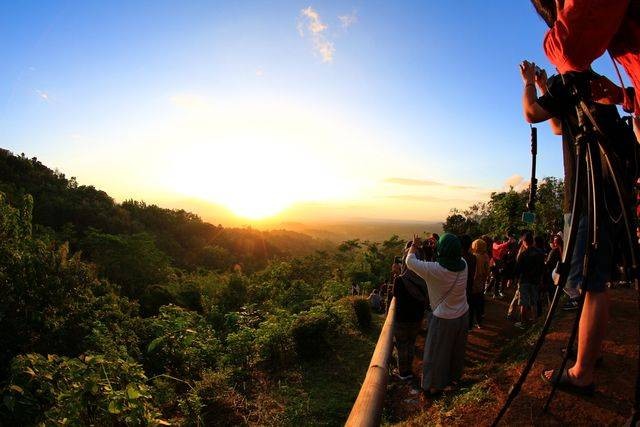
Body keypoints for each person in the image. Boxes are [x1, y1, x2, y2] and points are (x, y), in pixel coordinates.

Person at [519, 11, 636, 391]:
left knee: (589, 284)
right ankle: (589, 349)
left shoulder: (570, 81)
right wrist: (542, 82)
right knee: (584, 280)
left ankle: (583, 370)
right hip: (598, 197)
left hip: (588, 199)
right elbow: (558, 125)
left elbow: (533, 114)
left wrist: (527, 86)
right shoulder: (594, 87)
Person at [405, 233, 469, 396]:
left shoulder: (435, 270)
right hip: (462, 314)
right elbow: (449, 258)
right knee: (456, 350)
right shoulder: (464, 264)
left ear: (442, 250)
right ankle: (454, 378)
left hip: (443, 319)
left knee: (435, 354)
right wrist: (439, 247)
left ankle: (432, 387)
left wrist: (414, 245)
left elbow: (409, 261)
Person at [392, 244, 428, 380]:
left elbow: (395, 295)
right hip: (417, 318)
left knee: (402, 345)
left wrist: (396, 274)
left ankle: (403, 372)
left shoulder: (400, 280)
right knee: (411, 343)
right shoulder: (424, 279)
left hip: (402, 319)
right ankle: (409, 369)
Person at [513, 231, 546, 329]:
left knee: (524, 302)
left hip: (525, 281)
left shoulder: (523, 254)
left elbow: (517, 269)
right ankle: (535, 322)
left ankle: (523, 322)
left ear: (524, 242)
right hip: (535, 281)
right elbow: (542, 268)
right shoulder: (540, 253)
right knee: (534, 302)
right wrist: (540, 279)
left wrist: (515, 280)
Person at [471, 238, 490, 329]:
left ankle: (470, 323)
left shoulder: (473, 256)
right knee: (479, 301)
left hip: (473, 283)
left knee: (472, 302)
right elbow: (487, 271)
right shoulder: (485, 256)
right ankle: (479, 322)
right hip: (481, 282)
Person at [460, 235, 477, 331]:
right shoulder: (473, 257)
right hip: (469, 284)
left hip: (461, 286)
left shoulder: (459, 258)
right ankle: (469, 325)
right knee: (469, 305)